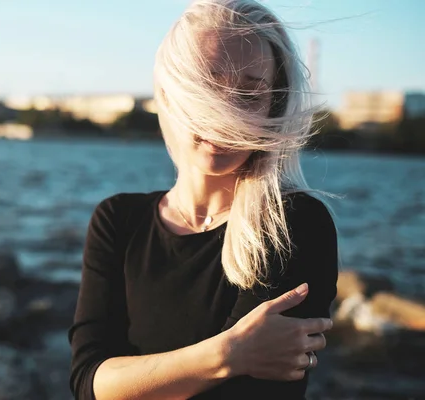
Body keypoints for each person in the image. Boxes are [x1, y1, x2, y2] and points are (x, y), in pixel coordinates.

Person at [68, 0, 339, 398]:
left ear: (273, 108)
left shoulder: (293, 224)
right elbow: (88, 383)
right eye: (208, 88)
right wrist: (229, 353)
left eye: (250, 95)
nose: (225, 114)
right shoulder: (117, 220)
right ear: (168, 93)